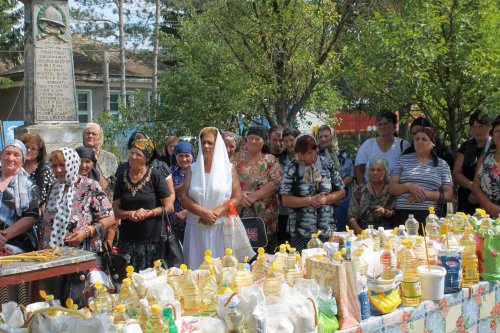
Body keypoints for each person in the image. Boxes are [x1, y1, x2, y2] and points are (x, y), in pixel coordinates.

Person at [39, 147, 115, 302]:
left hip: (82, 257)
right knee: (56, 304)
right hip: (55, 259)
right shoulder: (55, 188)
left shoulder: (89, 186)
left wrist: (86, 232)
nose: (58, 170)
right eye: (54, 166)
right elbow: (47, 225)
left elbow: (110, 217)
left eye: (62, 165)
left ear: (73, 164)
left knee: (80, 306)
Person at [182, 127, 252, 268]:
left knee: (222, 273)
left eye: (210, 142)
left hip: (220, 229)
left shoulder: (229, 169)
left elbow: (237, 196)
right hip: (196, 229)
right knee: (196, 273)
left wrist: (217, 212)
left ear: (217, 144)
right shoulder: (193, 168)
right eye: (203, 142)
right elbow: (183, 196)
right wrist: (202, 212)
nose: (205, 146)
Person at [113, 139, 172, 271]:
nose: (133, 157)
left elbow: (169, 207)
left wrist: (148, 213)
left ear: (146, 158)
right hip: (127, 241)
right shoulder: (121, 178)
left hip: (152, 241)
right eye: (131, 153)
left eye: (138, 154)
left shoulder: (155, 176)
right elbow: (115, 210)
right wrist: (130, 214)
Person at [280, 134, 345, 251]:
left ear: (316, 149)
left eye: (310, 153)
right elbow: (285, 200)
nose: (307, 157)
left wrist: (326, 199)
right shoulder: (292, 167)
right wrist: (310, 200)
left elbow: (341, 191)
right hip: (301, 231)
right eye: (302, 154)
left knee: (327, 263)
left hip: (327, 227)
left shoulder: (327, 164)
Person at [0, 140, 39, 306]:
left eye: (16, 155)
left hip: (18, 249)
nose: (11, 158)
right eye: (7, 153)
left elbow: (31, 217)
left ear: (22, 160)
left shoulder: (30, 186)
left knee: (16, 301)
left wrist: (4, 236)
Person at [231, 125, 283, 250]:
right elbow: (225, 181)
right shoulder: (235, 159)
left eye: (257, 139)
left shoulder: (270, 160)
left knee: (265, 253)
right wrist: (240, 194)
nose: (253, 141)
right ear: (246, 139)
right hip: (239, 212)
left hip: (265, 216)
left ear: (264, 141)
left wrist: (253, 197)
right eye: (251, 138)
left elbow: (276, 183)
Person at [389, 127, 453, 223]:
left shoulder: (442, 164)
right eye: (417, 139)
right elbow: (392, 188)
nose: (419, 142)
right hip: (404, 214)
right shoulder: (403, 160)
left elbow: (448, 195)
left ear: (432, 144)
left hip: (430, 216)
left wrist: (426, 194)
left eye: (424, 139)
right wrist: (408, 186)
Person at [115, 132, 175, 210]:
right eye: (132, 151)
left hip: (156, 218)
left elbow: (171, 194)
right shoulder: (122, 170)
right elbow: (117, 201)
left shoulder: (160, 167)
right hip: (128, 218)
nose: (134, 156)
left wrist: (163, 208)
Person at [355, 111, 410, 184]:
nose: (382, 127)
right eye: (379, 124)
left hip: (396, 193)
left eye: (386, 123)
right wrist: (363, 190)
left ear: (394, 126)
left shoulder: (403, 145)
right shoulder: (368, 144)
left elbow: (409, 171)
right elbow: (359, 170)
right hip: (370, 193)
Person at [453, 111, 492, 214]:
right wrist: (473, 188)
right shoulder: (465, 146)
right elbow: (456, 173)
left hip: (489, 199)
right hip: (466, 198)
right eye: (474, 127)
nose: (477, 130)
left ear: (489, 126)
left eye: (481, 126)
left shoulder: (495, 146)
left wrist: (479, 192)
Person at [317, 125, 355, 231]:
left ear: (332, 136)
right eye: (320, 137)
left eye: (326, 136)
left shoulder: (343, 154)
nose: (323, 139)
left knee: (343, 231)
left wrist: (337, 188)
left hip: (344, 199)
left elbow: (351, 175)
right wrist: (330, 193)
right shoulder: (316, 156)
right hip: (325, 199)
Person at [347, 157, 396, 234]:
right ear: (368, 172)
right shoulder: (359, 190)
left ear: (386, 172)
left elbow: (397, 214)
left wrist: (384, 212)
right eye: (372, 170)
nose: (375, 172)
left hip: (387, 233)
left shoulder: (392, 190)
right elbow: (351, 216)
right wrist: (360, 231)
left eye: (379, 170)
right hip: (363, 231)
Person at [472, 116, 500, 217]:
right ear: (492, 134)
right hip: (487, 218)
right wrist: (489, 206)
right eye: (497, 131)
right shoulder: (484, 158)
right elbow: (475, 186)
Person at [21, 133, 56, 209]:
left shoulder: (46, 171)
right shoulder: (18, 169)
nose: (29, 150)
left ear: (39, 152)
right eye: (26, 147)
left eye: (33, 149)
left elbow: (51, 194)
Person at [171, 141, 195, 243]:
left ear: (192, 156)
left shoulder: (198, 171)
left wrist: (186, 212)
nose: (184, 159)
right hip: (175, 220)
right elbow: (165, 193)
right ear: (175, 156)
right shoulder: (169, 171)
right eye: (180, 156)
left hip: (194, 218)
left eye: (187, 156)